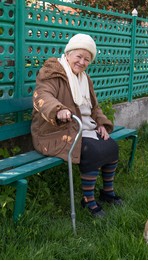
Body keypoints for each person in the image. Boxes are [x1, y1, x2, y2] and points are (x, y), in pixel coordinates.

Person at [31, 33, 122, 218]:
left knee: (112, 146)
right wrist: (58, 109)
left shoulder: (84, 78)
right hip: (56, 130)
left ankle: (107, 192)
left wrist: (102, 124)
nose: (82, 62)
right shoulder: (52, 73)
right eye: (78, 56)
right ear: (69, 53)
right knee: (92, 150)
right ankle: (88, 200)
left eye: (87, 59)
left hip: (82, 126)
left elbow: (93, 107)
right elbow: (42, 95)